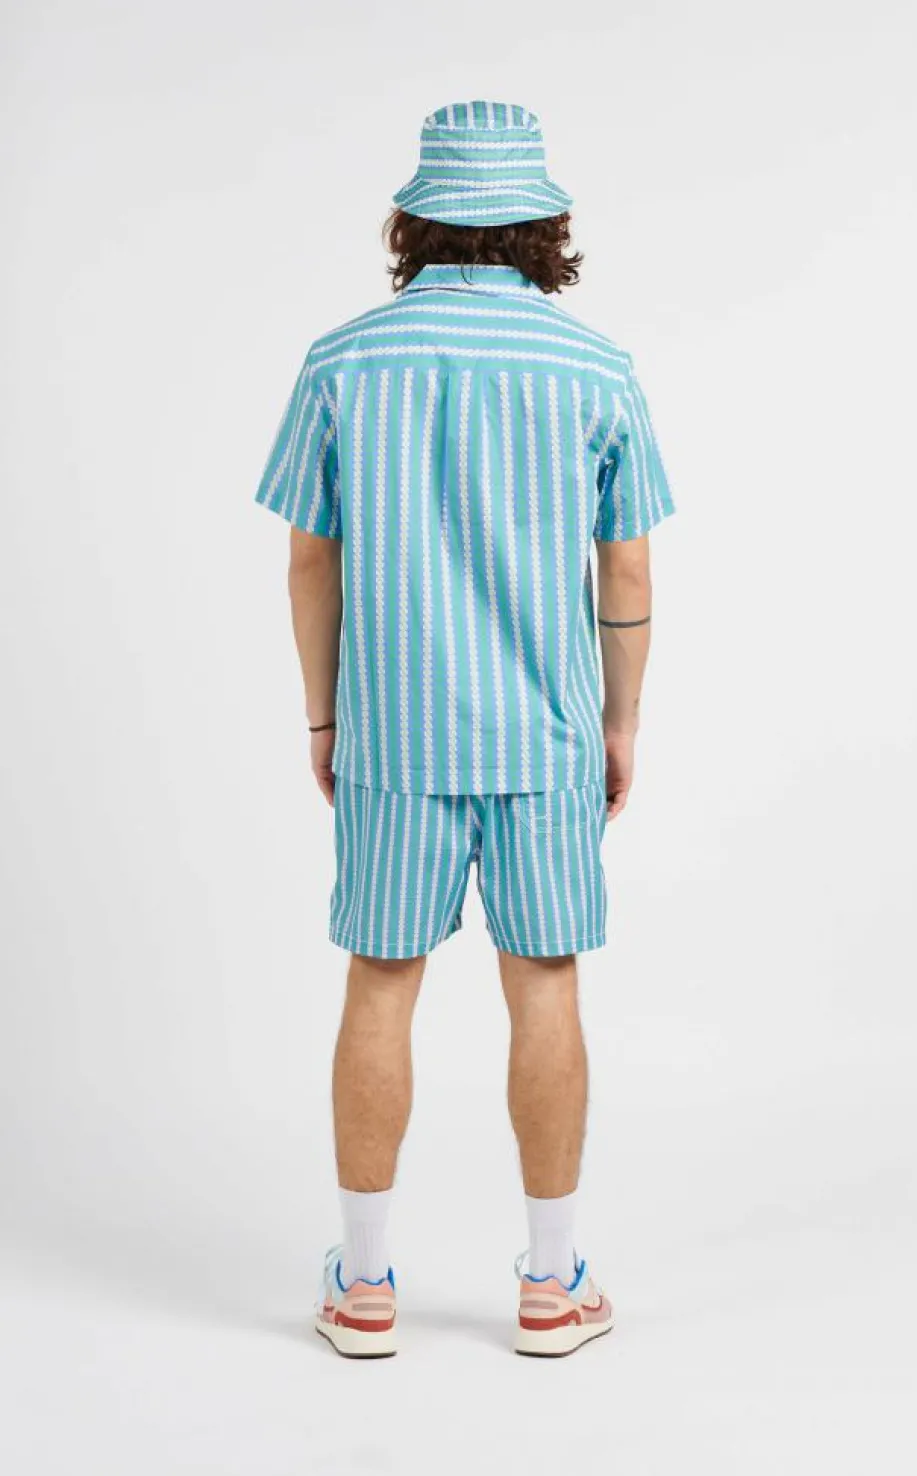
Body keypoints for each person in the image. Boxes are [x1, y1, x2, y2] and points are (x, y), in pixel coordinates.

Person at [255, 99, 675, 1359]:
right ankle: (551, 1287)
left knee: (380, 983)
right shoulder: (595, 368)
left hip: (394, 737)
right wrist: (620, 723)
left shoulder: (344, 361)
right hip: (547, 740)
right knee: (544, 985)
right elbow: (628, 572)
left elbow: (310, 560)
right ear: (542, 228)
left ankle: (362, 1288)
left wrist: (326, 715)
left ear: (417, 223)